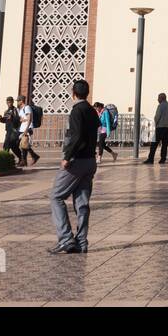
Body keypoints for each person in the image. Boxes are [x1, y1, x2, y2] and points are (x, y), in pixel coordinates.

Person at [49, 79, 98, 254]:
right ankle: (82, 242)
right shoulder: (92, 111)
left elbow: (76, 136)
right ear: (87, 93)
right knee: (82, 203)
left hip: (77, 161)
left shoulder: (77, 110)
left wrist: (67, 157)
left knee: (56, 196)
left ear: (73, 93)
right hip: (90, 161)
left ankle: (65, 239)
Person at [144, 92, 168, 164]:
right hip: (167, 127)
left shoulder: (160, 106)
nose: (157, 99)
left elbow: (157, 117)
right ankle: (163, 159)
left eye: (158, 98)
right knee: (164, 144)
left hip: (160, 127)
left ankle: (150, 159)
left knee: (154, 144)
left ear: (161, 98)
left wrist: (155, 123)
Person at [17, 94, 40, 166]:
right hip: (22, 128)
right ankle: (31, 158)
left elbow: (30, 119)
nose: (17, 102)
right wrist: (22, 120)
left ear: (21, 101)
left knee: (24, 145)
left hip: (27, 128)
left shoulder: (27, 108)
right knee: (24, 145)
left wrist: (26, 130)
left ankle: (30, 158)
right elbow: (22, 118)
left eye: (18, 101)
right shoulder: (21, 109)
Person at [0, 96, 23, 165]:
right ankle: (6, 161)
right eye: (8, 102)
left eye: (10, 102)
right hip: (8, 131)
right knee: (6, 146)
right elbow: (5, 121)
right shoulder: (6, 111)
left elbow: (19, 120)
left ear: (12, 102)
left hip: (14, 131)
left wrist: (12, 117)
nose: (9, 103)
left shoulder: (15, 110)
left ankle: (21, 159)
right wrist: (1, 118)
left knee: (13, 146)